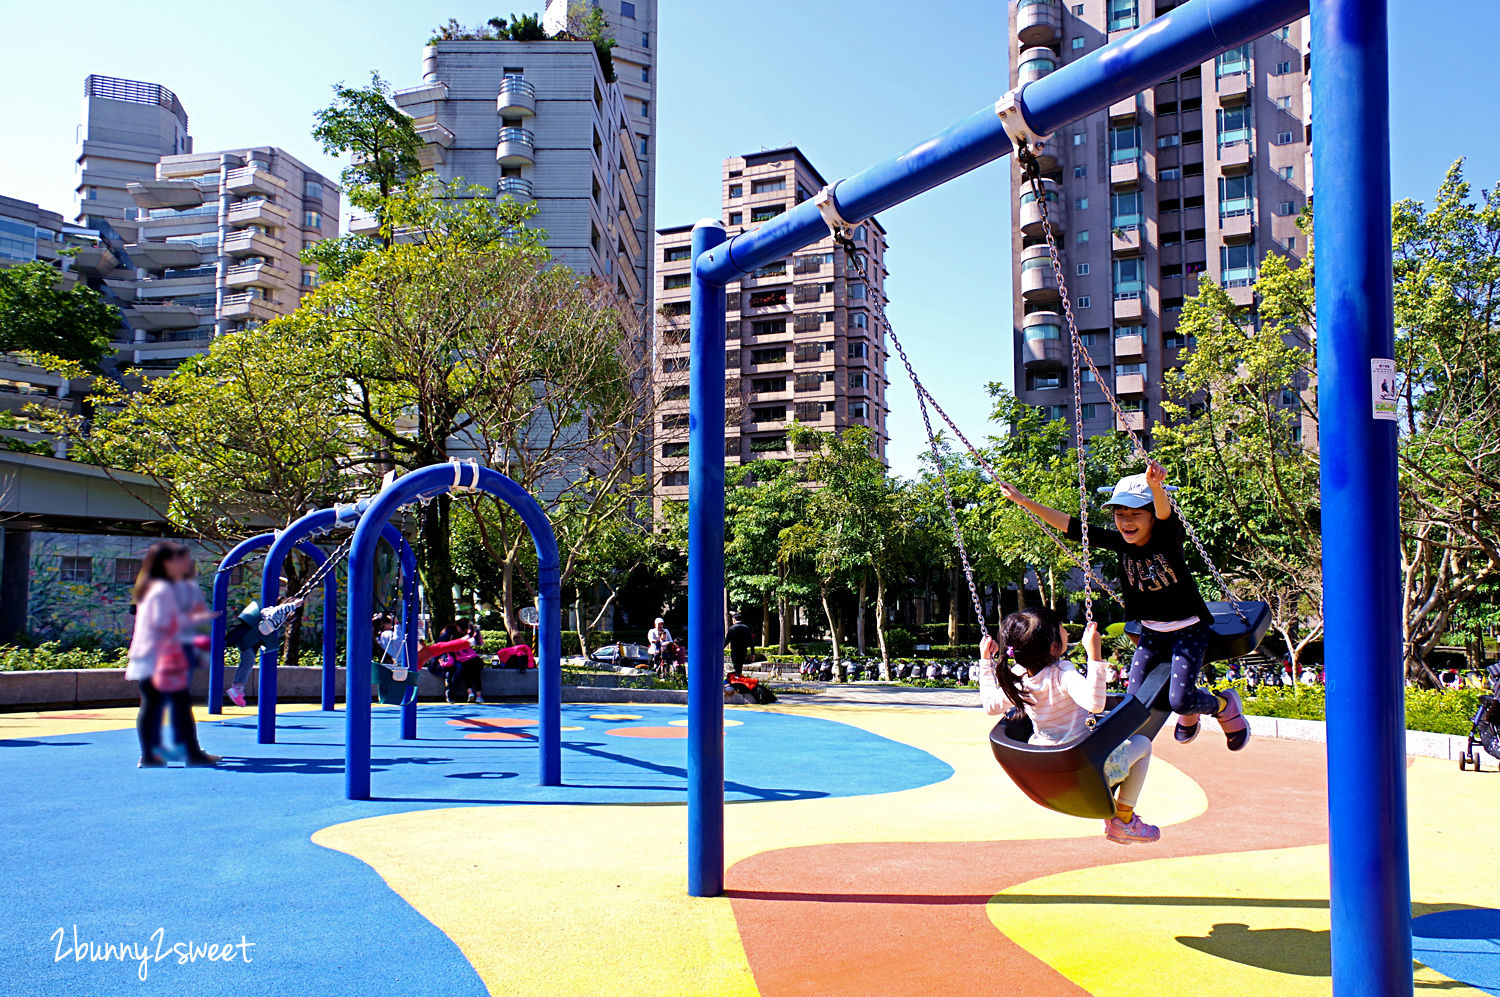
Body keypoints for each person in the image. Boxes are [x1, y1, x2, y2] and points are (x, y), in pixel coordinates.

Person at [998, 460, 1249, 751]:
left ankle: (1225, 705)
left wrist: (1156, 488)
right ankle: (1189, 710)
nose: (1126, 521)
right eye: (1120, 514)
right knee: (1134, 702)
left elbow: (1166, 515)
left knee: (1179, 699)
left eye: (1136, 514)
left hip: (1188, 630)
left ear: (1152, 517)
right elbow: (1070, 525)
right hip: (1151, 634)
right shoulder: (1120, 542)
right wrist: (1023, 500)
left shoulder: (1167, 538)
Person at [980, 607, 1158, 844]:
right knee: (1142, 744)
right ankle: (1123, 820)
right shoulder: (1062, 673)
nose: (1066, 632)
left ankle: (1118, 812)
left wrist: (985, 661)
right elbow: (1095, 704)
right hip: (1085, 768)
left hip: (1045, 768)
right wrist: (1094, 655)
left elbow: (991, 706)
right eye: (1062, 629)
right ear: (1053, 646)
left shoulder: (1019, 676)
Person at [127, 542, 219, 768]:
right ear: (167, 563)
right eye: (181, 559)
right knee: (178, 704)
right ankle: (191, 753)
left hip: (152, 656)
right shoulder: (163, 590)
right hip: (165, 656)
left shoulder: (151, 587)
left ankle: (150, 755)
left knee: (153, 704)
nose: (186, 563)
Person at [223, 591, 304, 708]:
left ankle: (237, 688)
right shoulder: (276, 611)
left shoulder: (278, 617)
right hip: (249, 637)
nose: (292, 616)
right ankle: (237, 688)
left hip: (255, 640)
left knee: (246, 663)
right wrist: (294, 605)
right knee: (248, 662)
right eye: (292, 613)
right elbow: (279, 610)